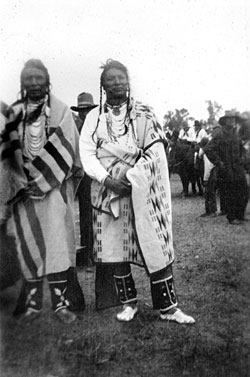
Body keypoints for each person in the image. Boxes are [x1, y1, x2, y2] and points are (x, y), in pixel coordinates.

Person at [79, 59, 195, 324]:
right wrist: (108, 179)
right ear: (102, 84)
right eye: (111, 78)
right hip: (108, 195)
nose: (117, 82)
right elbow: (87, 154)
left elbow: (155, 151)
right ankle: (128, 303)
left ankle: (169, 308)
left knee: (156, 244)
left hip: (142, 191)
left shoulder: (145, 114)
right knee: (115, 249)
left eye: (121, 77)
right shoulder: (93, 118)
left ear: (128, 81)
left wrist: (131, 177)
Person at [0, 59, 85, 322]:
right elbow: (5, 153)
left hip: (53, 190)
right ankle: (33, 304)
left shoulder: (61, 112)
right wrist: (20, 182)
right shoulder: (13, 113)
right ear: (22, 82)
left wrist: (42, 180)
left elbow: (70, 148)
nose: (34, 82)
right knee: (27, 242)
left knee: (58, 243)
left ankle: (61, 304)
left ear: (47, 80)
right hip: (23, 193)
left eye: (39, 77)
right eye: (29, 78)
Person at [205, 112, 249, 224]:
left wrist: (243, 157)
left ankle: (240, 215)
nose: (232, 121)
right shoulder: (219, 134)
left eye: (233, 119)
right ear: (224, 121)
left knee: (244, 190)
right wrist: (219, 162)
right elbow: (209, 149)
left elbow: (241, 148)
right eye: (229, 119)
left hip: (238, 167)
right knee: (230, 193)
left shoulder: (236, 134)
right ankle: (232, 217)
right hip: (226, 168)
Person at [71, 93, 98, 269]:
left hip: (96, 175)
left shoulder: (97, 126)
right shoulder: (74, 127)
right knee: (85, 215)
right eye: (81, 110)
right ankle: (88, 255)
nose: (84, 113)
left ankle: (96, 254)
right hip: (82, 177)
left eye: (87, 110)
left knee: (96, 215)